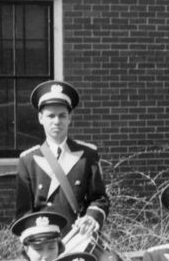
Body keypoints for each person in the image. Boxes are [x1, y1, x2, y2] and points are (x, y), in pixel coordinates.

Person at [14, 80, 108, 236]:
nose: (56, 121)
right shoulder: (28, 160)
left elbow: (99, 199)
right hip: (45, 242)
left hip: (78, 239)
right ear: (40, 118)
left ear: (70, 117)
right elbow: (23, 212)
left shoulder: (87, 155)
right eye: (50, 116)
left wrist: (91, 218)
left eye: (62, 115)